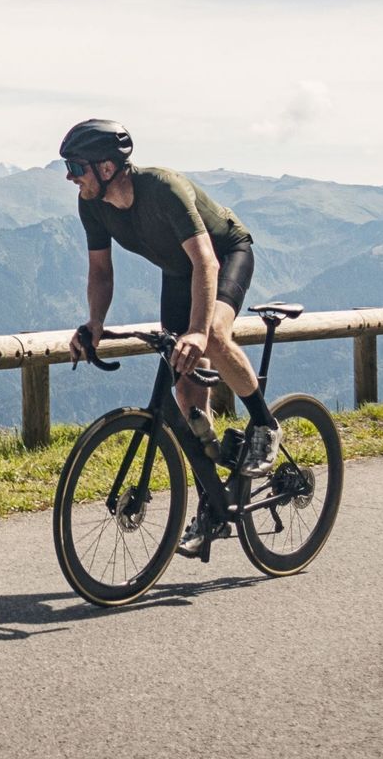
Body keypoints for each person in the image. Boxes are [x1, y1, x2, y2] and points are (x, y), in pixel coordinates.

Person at [60, 117, 281, 556]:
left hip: (224, 255)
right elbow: (100, 271)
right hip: (179, 273)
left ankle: (265, 423)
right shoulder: (92, 206)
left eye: (76, 166)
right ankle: (214, 505)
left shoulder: (164, 190)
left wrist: (198, 332)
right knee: (185, 391)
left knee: (214, 338)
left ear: (106, 168)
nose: (70, 176)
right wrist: (94, 324)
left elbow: (207, 263)